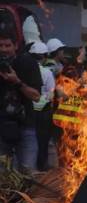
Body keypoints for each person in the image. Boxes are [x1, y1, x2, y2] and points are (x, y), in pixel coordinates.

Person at [0, 32, 42, 172]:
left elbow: (36, 96)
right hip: (1, 128)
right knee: (4, 176)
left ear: (16, 45)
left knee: (28, 171)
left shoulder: (27, 64)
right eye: (0, 45)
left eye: (7, 45)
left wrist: (16, 82)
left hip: (25, 127)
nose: (4, 49)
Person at [29, 41, 56, 171]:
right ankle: (40, 168)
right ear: (44, 56)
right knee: (43, 142)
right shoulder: (47, 73)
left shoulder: (23, 70)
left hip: (28, 112)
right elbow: (51, 95)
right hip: (43, 112)